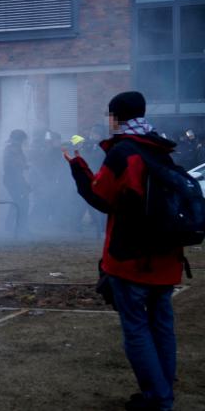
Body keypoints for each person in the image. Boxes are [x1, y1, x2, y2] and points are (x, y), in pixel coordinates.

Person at [66, 91, 182, 411]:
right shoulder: (162, 150)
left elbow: (102, 198)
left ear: (115, 116)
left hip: (131, 257)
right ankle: (162, 392)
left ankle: (158, 399)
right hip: (167, 255)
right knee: (162, 325)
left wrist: (77, 167)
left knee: (136, 329)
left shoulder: (123, 152)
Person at [3, 129, 30, 235]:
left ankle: (14, 226)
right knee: (21, 203)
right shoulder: (11, 149)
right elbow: (11, 165)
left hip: (17, 178)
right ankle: (18, 228)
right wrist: (24, 165)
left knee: (20, 202)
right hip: (12, 179)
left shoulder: (16, 149)